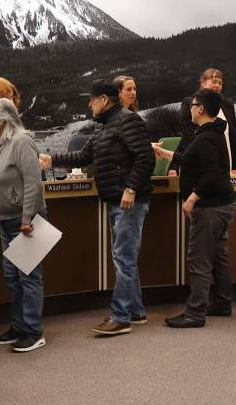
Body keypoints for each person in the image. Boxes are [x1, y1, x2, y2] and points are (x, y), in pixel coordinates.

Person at [41, 80, 155, 336]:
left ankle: (120, 316)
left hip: (128, 201)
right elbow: (83, 156)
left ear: (104, 99)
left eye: (91, 99)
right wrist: (52, 159)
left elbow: (145, 157)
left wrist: (131, 188)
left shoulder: (128, 120)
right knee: (126, 259)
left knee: (123, 259)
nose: (88, 104)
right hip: (117, 200)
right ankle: (135, 312)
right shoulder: (104, 127)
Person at [0, 98, 47, 352]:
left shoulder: (22, 142)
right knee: (13, 278)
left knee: (28, 278)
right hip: (6, 222)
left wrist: (27, 219)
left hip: (24, 222)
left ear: (2, 119)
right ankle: (19, 326)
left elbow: (33, 181)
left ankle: (33, 331)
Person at [165, 88, 236, 328]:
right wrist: (161, 152)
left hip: (209, 208)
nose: (191, 109)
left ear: (201, 108)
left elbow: (213, 173)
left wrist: (192, 198)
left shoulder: (205, 138)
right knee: (218, 256)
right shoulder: (211, 133)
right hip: (222, 205)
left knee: (199, 260)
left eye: (193, 105)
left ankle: (195, 313)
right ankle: (223, 303)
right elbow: (189, 159)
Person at [158, 68, 236, 174]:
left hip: (224, 158)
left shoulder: (228, 106)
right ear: (203, 82)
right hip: (195, 157)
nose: (217, 85)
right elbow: (188, 131)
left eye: (220, 83)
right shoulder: (190, 102)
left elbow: (234, 137)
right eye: (214, 82)